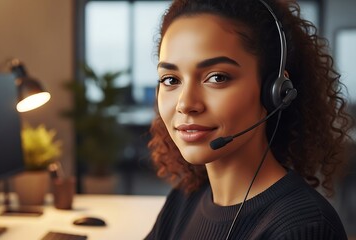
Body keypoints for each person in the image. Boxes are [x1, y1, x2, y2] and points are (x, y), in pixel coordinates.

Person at [145, 0, 353, 239]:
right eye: (171, 80)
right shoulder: (184, 199)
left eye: (217, 77)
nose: (185, 104)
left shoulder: (303, 228)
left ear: (275, 92)